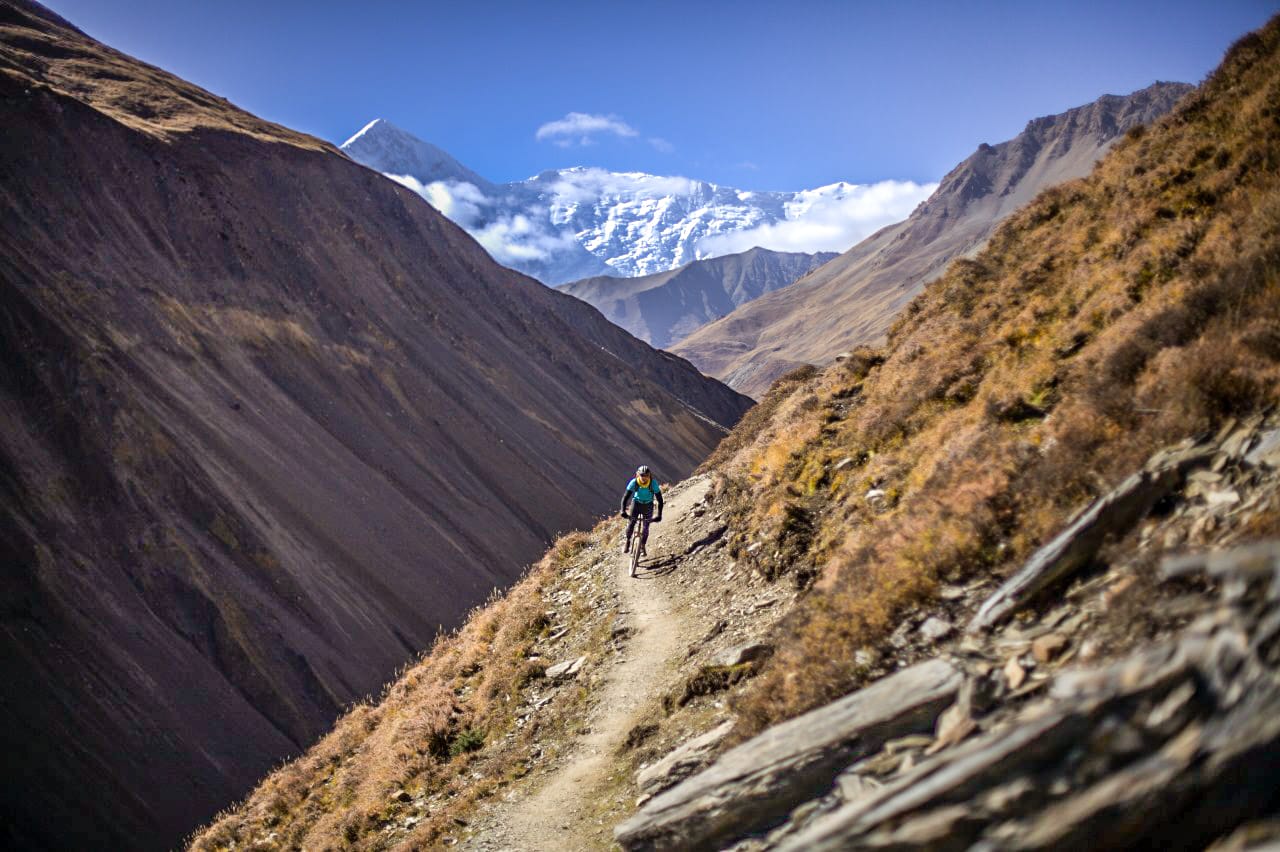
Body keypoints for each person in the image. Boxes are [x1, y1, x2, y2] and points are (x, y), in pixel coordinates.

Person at [620, 465, 663, 554]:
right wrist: (623, 510)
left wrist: (659, 514)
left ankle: (642, 546)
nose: (644, 478)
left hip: (648, 505)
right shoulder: (634, 482)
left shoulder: (653, 483)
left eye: (646, 476)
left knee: (646, 527)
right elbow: (625, 497)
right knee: (631, 523)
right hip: (636, 504)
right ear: (638, 475)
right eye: (642, 475)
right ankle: (628, 541)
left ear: (649, 476)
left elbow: (660, 500)